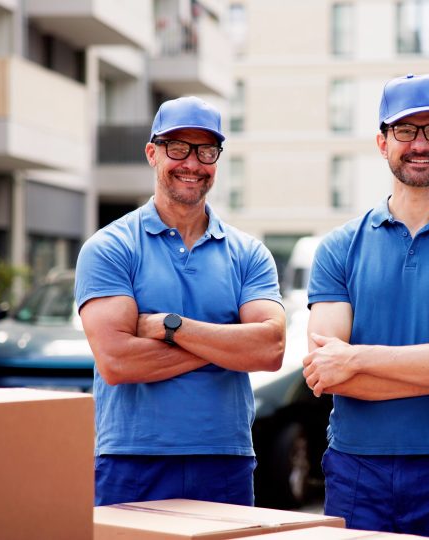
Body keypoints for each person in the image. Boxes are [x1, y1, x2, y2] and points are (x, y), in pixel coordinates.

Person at [301, 74, 429, 540]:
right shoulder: (338, 248)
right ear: (382, 143)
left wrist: (356, 359)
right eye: (405, 131)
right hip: (358, 469)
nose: (421, 144)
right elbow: (325, 372)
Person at [75, 96, 286, 507]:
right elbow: (118, 363)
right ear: (152, 153)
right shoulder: (110, 247)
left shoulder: (248, 253)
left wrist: (171, 327)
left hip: (226, 458)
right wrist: (230, 347)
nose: (192, 162)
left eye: (206, 150)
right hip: (132, 459)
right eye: (178, 148)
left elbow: (270, 349)